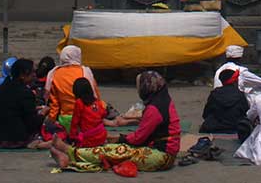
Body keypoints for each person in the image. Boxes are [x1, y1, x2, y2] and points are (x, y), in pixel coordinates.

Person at [50, 70, 180, 173]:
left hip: (161, 156)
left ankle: (70, 153)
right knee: (111, 149)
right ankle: (72, 156)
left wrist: (119, 138)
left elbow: (138, 138)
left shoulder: (154, 108)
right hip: (164, 152)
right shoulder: (163, 100)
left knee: (115, 151)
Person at [0, 58, 45, 149]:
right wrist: (43, 113)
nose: (35, 75)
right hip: (15, 138)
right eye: (32, 72)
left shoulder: (4, 87)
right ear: (23, 75)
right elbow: (31, 121)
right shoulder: (25, 92)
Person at [46, 45, 100, 131]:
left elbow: (54, 103)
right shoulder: (84, 71)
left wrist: (50, 120)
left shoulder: (54, 73)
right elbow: (95, 95)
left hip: (65, 119)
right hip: (85, 118)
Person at [199, 69, 251, 137]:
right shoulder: (240, 95)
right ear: (235, 81)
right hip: (235, 128)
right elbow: (246, 113)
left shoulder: (214, 94)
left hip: (214, 128)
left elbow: (205, 114)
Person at [67, 77, 108, 147]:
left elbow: (75, 122)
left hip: (89, 139)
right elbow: (103, 113)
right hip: (102, 135)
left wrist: (72, 137)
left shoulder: (79, 102)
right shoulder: (97, 101)